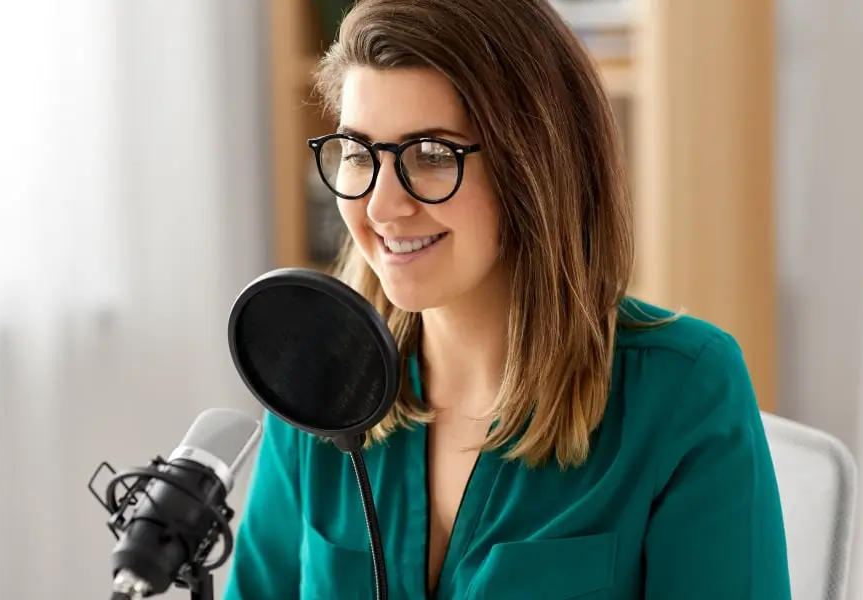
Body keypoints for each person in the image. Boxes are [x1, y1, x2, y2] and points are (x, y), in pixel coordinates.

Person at [224, 0, 791, 598]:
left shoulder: (683, 391)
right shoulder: (318, 380)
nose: (382, 206)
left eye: (433, 155)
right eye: (360, 154)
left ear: (534, 165)